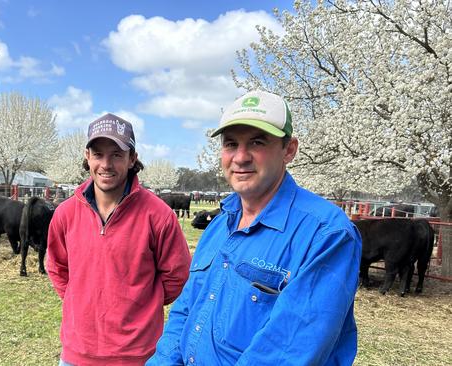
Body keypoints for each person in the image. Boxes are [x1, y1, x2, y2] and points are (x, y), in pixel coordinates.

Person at [147, 90, 362, 365]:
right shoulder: (219, 224)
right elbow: (185, 310)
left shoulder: (326, 234)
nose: (240, 157)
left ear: (289, 150)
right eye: (231, 144)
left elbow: (288, 352)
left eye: (257, 142)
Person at [47, 113, 192, 366]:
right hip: (76, 354)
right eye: (98, 154)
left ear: (132, 158)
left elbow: (177, 276)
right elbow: (58, 267)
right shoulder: (65, 214)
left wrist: (140, 304)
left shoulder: (159, 215)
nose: (106, 164)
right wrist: (80, 300)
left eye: (116, 154)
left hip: (138, 355)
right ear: (87, 156)